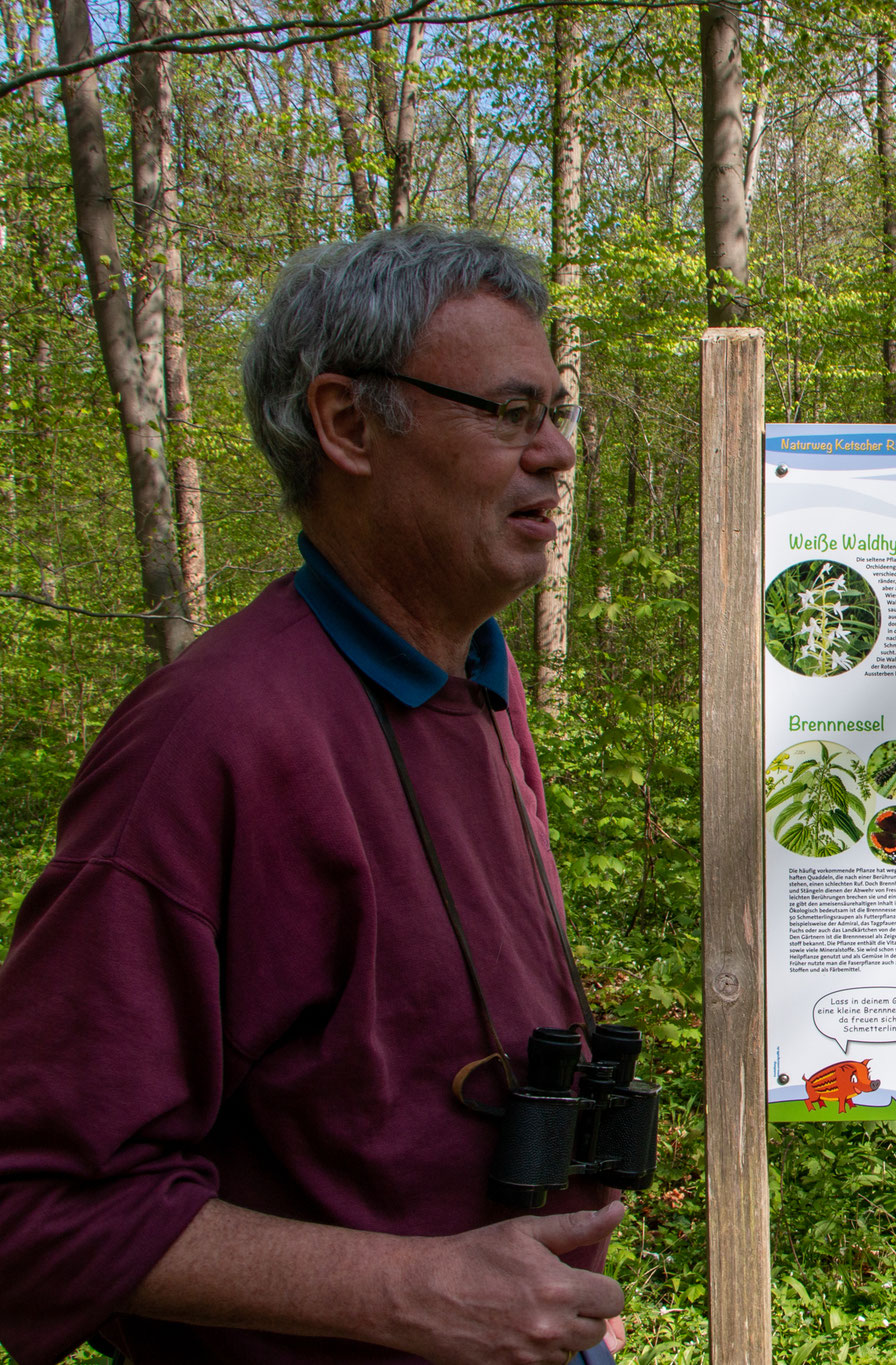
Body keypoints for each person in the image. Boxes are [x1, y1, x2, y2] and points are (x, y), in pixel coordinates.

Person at [0, 228, 633, 1365]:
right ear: (347, 425)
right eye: (506, 412)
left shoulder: (479, 681)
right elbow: (36, 1212)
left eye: (558, 410)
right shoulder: (210, 741)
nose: (555, 453)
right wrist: (415, 1291)